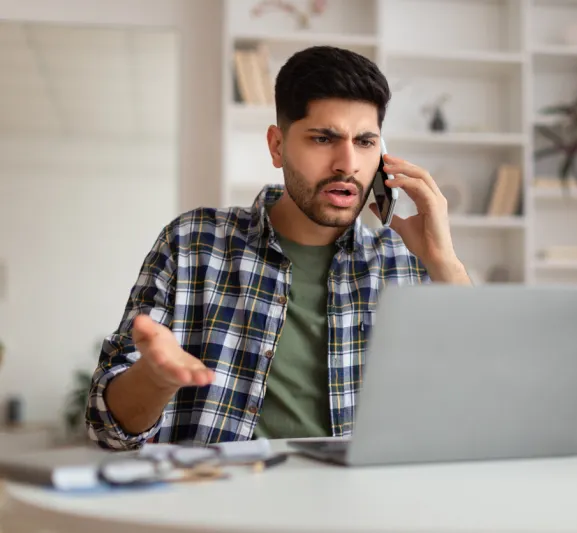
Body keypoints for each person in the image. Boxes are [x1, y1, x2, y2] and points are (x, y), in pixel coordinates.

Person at [85, 45, 471, 450]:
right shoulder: (192, 243)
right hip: (221, 505)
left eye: (365, 142)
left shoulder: (403, 263)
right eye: (324, 138)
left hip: (366, 508)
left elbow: (480, 408)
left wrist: (446, 265)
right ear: (277, 146)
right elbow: (106, 430)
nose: (347, 163)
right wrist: (155, 378)